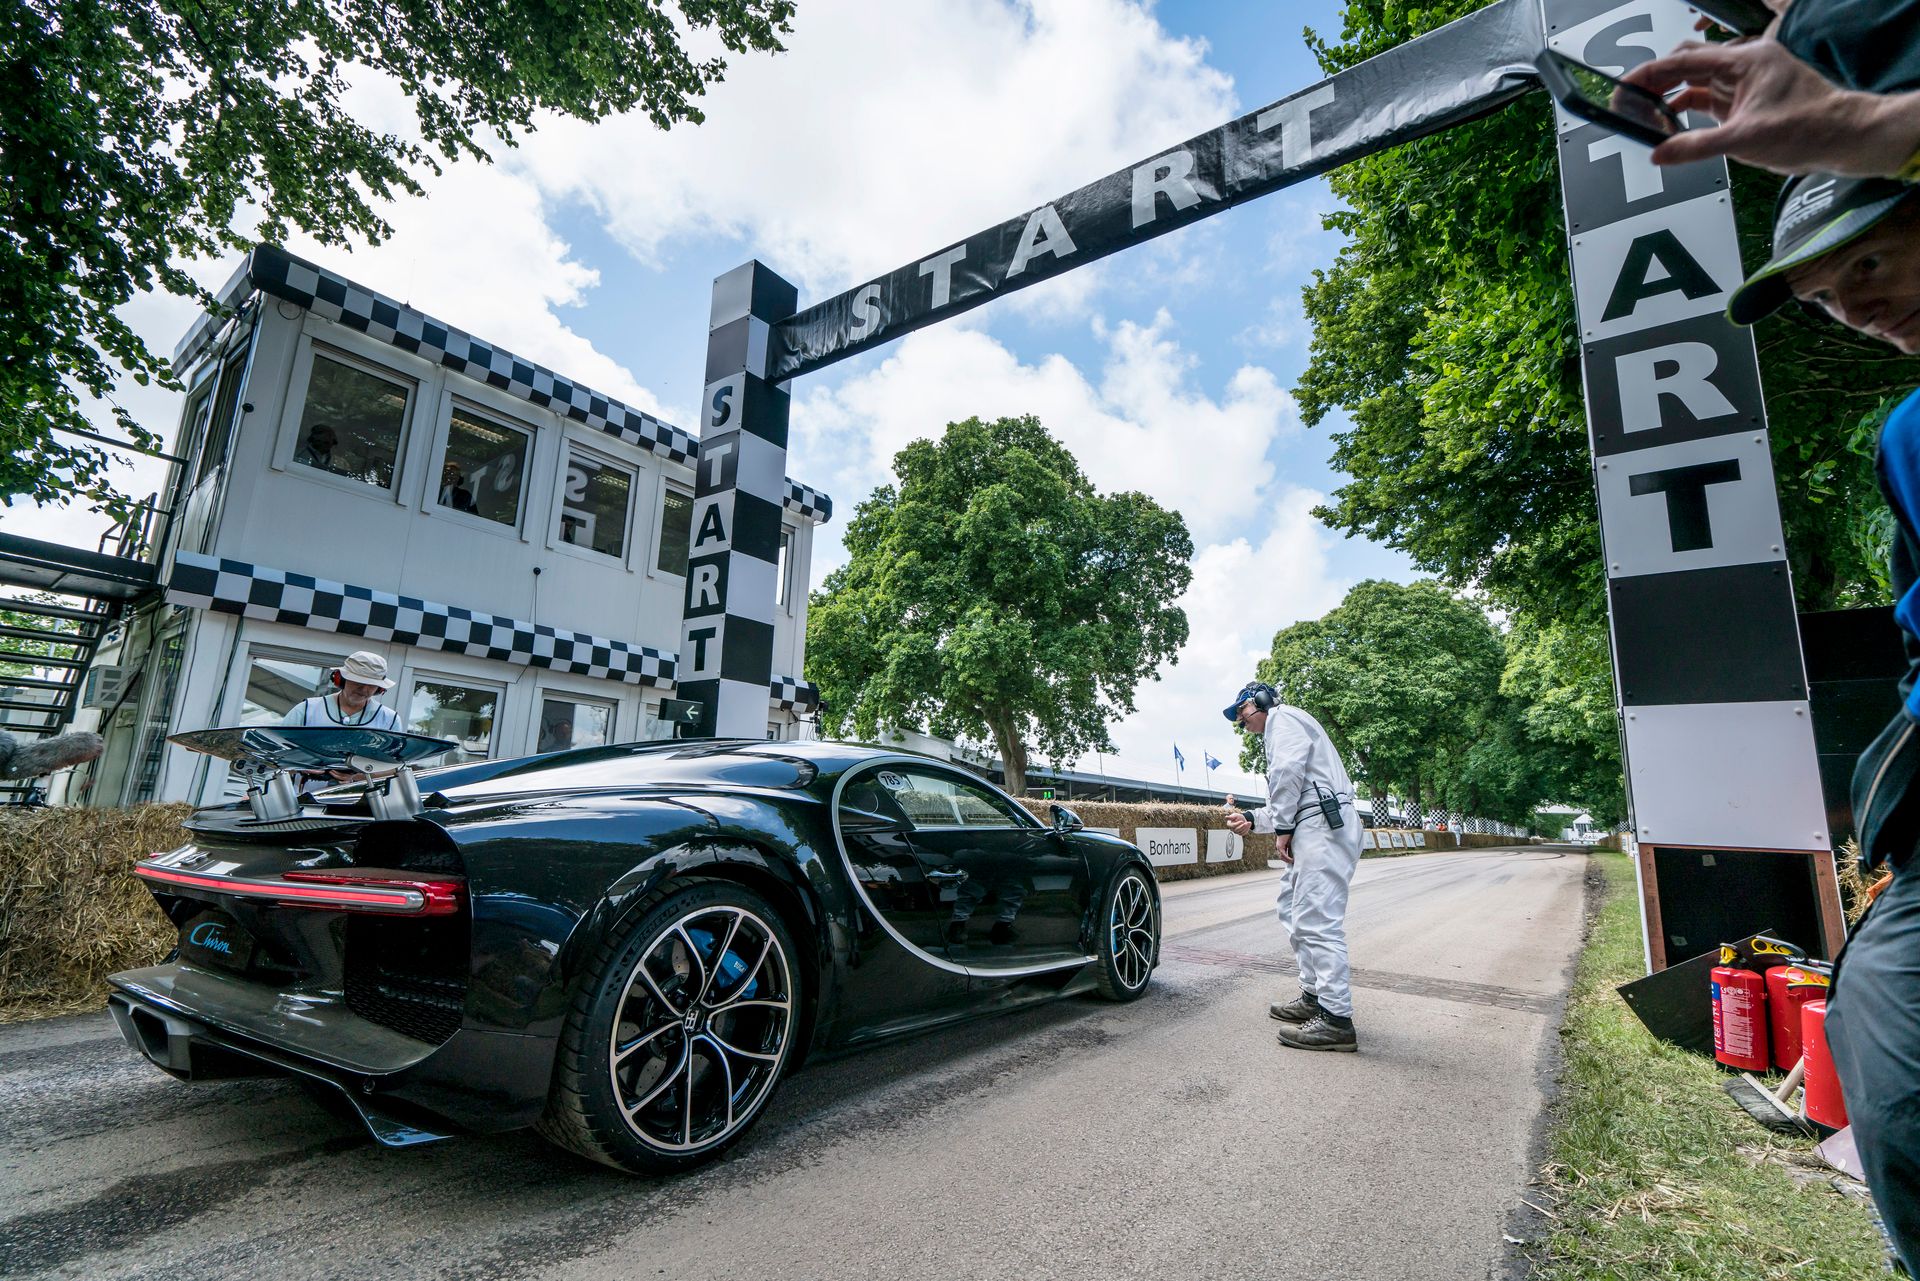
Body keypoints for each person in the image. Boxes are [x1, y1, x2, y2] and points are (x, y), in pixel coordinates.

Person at [1722, 171, 1920, 1273]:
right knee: (1880, 1035)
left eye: (1869, 262)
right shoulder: (1907, 437)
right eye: (1827, 296)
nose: (1856, 306)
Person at [1222, 681, 1363, 1052]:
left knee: (1316, 920)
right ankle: (1315, 996)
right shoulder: (1285, 727)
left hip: (1321, 826)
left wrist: (1282, 829)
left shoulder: (1282, 720)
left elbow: (1287, 775)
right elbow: (1289, 794)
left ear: (1264, 702)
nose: (1241, 722)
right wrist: (1253, 818)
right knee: (1293, 910)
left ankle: (1336, 1019)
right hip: (1314, 823)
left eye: (1243, 712)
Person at [283, 650, 402, 731]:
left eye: (372, 685)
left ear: (380, 689)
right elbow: (279, 750)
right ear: (340, 679)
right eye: (358, 682)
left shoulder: (389, 719)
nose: (364, 689)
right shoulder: (306, 709)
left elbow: (395, 764)